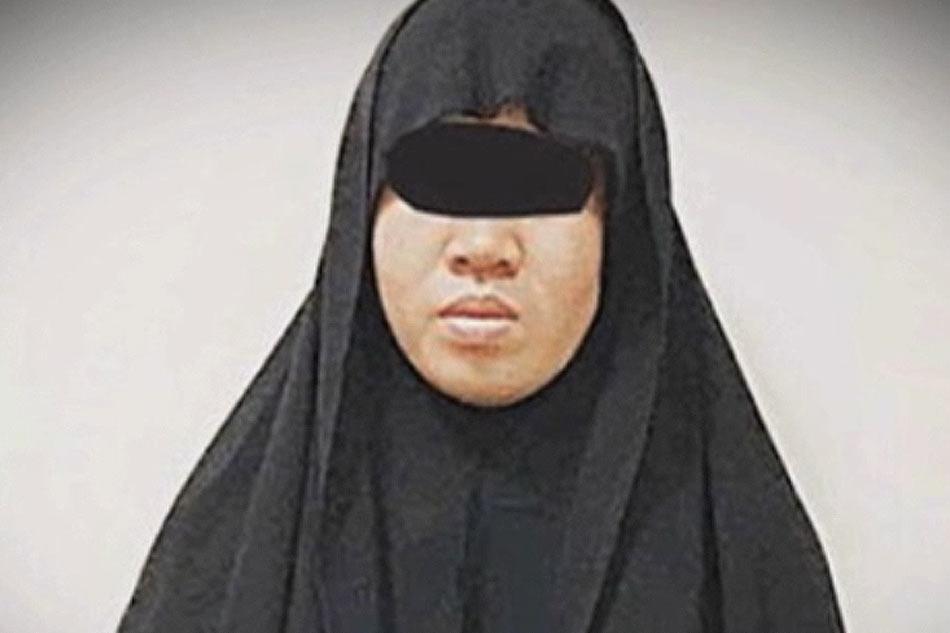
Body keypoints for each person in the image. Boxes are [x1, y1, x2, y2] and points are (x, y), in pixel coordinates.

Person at [116, 1, 846, 632]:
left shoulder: (743, 570)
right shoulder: (233, 570)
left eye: (543, 181)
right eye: (441, 175)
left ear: (622, 228)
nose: (485, 245)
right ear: (363, 208)